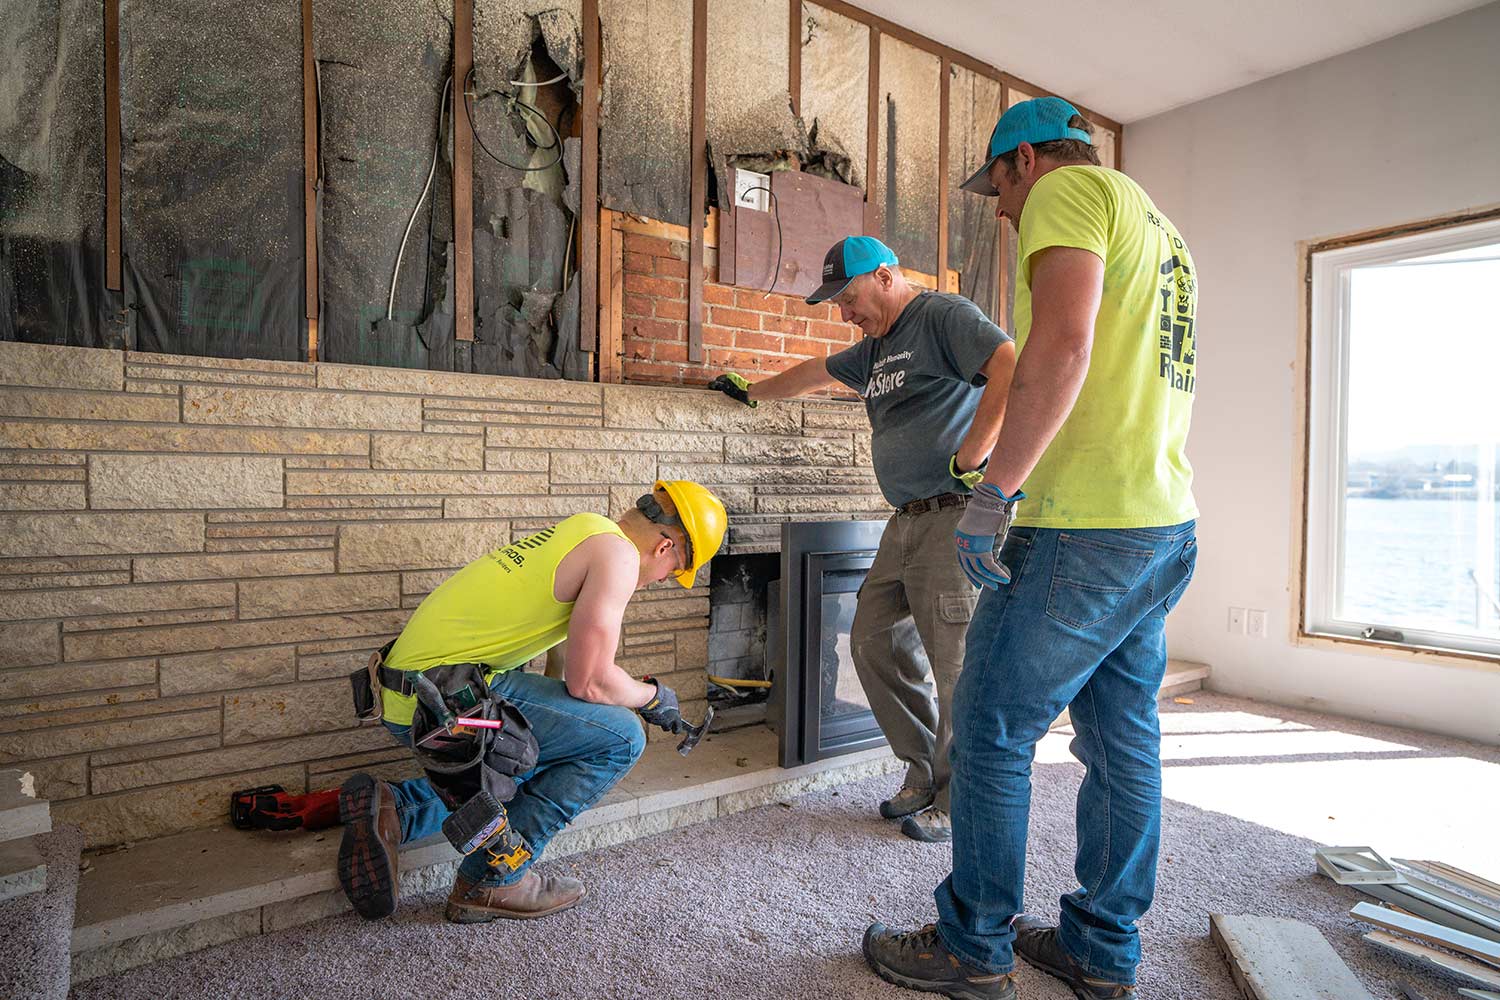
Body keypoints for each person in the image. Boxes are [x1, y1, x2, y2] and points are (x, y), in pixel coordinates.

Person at [860, 97, 1199, 1000]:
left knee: (992, 727)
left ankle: (973, 946)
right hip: (1159, 521)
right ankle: (1100, 947)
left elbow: (1060, 343)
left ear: (1023, 162)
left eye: (996, 189)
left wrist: (995, 491)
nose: (1000, 211)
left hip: (1081, 527)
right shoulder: (1160, 227)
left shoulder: (1066, 194)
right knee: (1122, 737)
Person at [709, 235, 1015, 842]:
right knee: (872, 642)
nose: (846, 314)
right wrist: (751, 391)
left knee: (955, 668)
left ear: (886, 275)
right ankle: (924, 769)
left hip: (954, 513)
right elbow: (810, 374)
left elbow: (1008, 364)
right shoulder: (873, 350)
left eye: (850, 298)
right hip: (903, 519)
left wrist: (974, 453)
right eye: (839, 306)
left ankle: (958, 805)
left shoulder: (941, 316)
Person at [335, 480, 727, 924]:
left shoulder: (586, 529)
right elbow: (591, 683)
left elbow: (564, 669)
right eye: (675, 571)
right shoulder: (618, 557)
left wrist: (573, 723)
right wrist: (653, 697)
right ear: (665, 547)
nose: (663, 580)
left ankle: (395, 809)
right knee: (622, 739)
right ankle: (494, 879)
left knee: (556, 741)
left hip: (408, 692)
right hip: (440, 704)